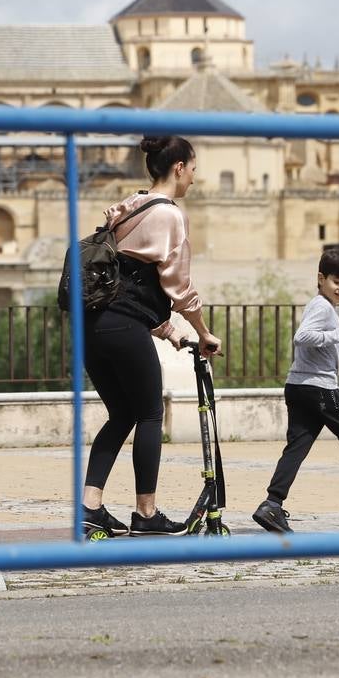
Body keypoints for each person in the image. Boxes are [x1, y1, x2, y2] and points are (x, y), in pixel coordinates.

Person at [81, 135, 222, 538]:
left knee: (122, 414)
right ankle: (146, 513)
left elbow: (127, 286)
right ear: (179, 167)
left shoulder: (129, 207)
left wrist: (168, 332)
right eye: (193, 169)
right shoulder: (170, 216)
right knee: (148, 414)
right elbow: (178, 287)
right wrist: (203, 331)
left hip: (95, 325)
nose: (194, 179)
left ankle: (90, 507)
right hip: (123, 326)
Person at [252, 248, 339, 533]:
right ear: (321, 278)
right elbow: (302, 337)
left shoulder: (327, 308)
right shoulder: (321, 306)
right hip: (318, 388)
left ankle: (271, 505)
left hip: (299, 386)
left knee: (297, 448)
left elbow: (329, 345)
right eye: (336, 281)